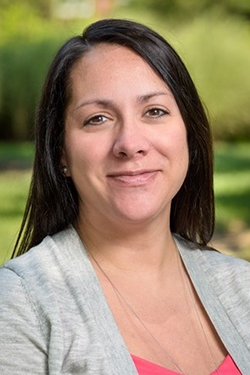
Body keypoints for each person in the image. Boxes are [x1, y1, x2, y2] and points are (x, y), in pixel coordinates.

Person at [0, 18, 249, 375]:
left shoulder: (242, 287)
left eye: (155, 111)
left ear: (189, 135)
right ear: (61, 153)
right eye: (98, 118)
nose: (130, 144)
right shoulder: (21, 305)